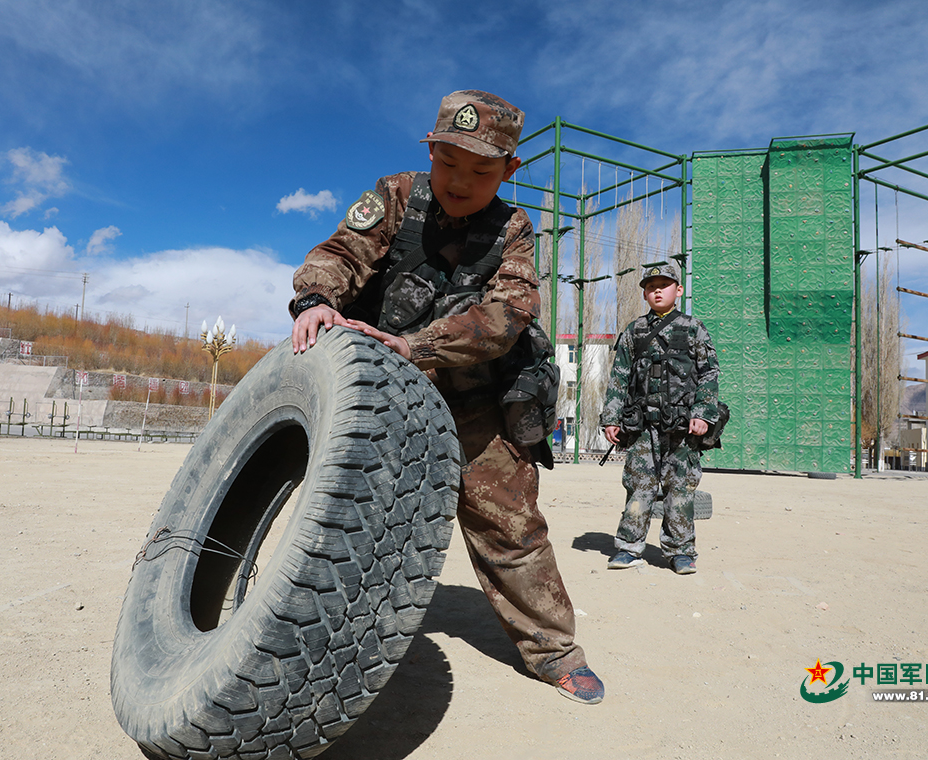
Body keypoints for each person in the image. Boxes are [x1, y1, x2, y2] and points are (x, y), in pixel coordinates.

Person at [289, 90, 603, 705]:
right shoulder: (396, 196)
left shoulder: (512, 228)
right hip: (377, 384)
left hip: (472, 395)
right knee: (351, 513)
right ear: (429, 150)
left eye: (482, 170)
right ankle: (310, 638)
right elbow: (339, 253)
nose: (461, 180)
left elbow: (511, 311)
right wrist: (316, 299)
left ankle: (555, 651)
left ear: (509, 170)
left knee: (510, 523)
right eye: (448, 162)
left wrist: (421, 345)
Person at [599, 261, 720, 575]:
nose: (657, 291)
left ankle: (680, 552)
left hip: (682, 427)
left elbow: (709, 374)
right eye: (651, 287)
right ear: (644, 294)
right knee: (639, 486)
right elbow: (619, 378)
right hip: (642, 426)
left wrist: (703, 414)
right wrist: (611, 417)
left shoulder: (694, 328)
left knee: (680, 487)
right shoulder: (634, 330)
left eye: (664, 285)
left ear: (678, 291)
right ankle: (629, 548)